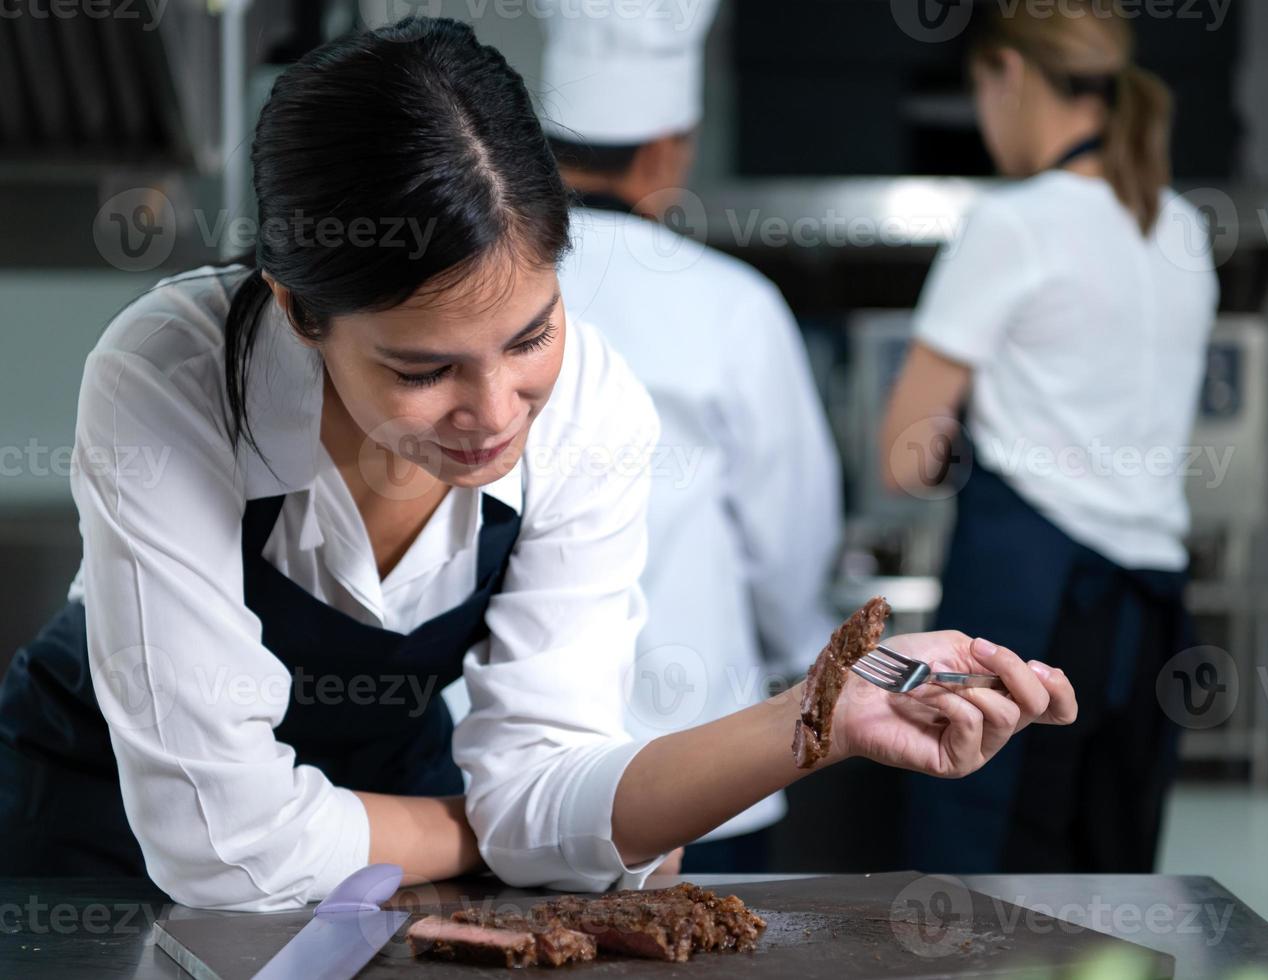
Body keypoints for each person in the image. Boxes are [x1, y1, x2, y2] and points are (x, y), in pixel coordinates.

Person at [0, 17, 1077, 911]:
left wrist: (823, 714)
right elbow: (221, 845)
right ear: (301, 311)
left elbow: (550, 784)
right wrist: (489, 833)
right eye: (423, 368)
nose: (494, 413)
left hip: (378, 836)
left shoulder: (592, 405)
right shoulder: (172, 378)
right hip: (94, 834)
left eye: (529, 336)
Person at [881, 1, 1219, 874]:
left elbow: (904, 455)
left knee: (988, 881)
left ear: (1010, 75)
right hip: (1153, 617)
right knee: (1111, 883)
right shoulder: (1181, 228)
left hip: (1031, 608)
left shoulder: (1014, 221)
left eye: (981, 93)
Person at [530, 0, 844, 872]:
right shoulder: (731, 303)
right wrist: (801, 652)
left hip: (511, 769)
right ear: (671, 149)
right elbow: (788, 533)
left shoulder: (485, 291)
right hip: (711, 766)